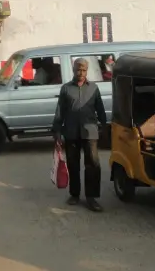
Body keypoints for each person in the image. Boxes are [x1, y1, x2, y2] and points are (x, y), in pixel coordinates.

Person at [52, 58, 108, 212]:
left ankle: (92, 198)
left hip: (90, 132)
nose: (80, 73)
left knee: (93, 165)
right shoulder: (65, 89)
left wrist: (104, 127)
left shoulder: (94, 88)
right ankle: (74, 194)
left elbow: (100, 110)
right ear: (73, 70)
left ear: (87, 71)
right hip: (71, 132)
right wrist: (57, 131)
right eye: (78, 70)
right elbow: (60, 112)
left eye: (83, 70)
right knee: (73, 164)